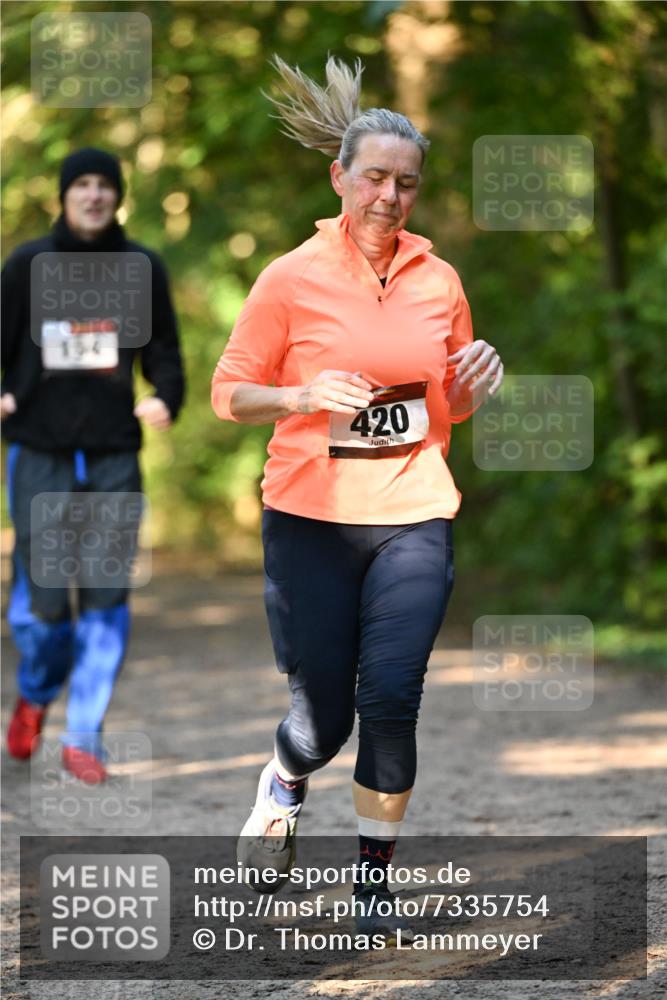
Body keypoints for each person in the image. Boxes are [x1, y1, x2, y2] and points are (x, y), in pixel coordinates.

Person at [211, 57, 503, 940]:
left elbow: (441, 402)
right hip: (309, 516)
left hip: (413, 509)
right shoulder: (289, 278)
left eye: (404, 182)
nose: (388, 195)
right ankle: (284, 779)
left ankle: (372, 888)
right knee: (323, 717)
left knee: (392, 700)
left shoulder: (438, 279)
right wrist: (301, 397)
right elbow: (230, 392)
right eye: (373, 176)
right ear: (338, 177)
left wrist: (474, 389)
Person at [2, 147, 185, 783]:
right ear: (64, 195)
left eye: (104, 184)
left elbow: (164, 349)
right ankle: (35, 688)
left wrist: (165, 395)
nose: (93, 195)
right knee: (45, 605)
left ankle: (84, 735)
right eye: (81, 183)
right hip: (39, 451)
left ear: (117, 196)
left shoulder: (141, 267)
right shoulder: (28, 265)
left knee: (106, 594)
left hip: (112, 453)